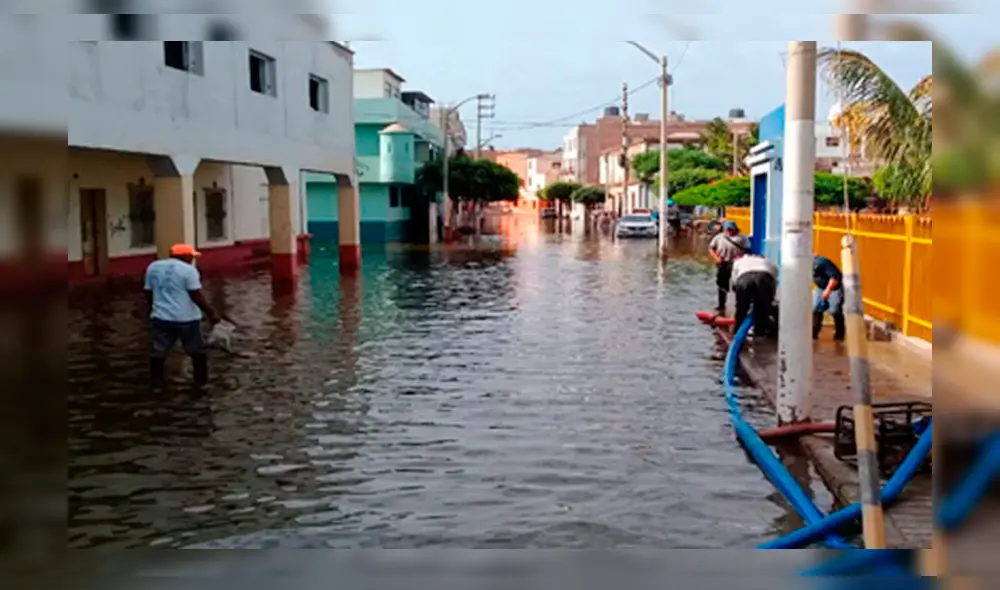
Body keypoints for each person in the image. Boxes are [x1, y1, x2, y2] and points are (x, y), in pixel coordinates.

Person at [144, 243, 223, 385]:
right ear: (185, 256)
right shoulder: (188, 270)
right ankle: (200, 383)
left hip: (161, 317)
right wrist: (211, 313)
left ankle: (155, 381)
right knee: (196, 352)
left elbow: (148, 292)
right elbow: (196, 295)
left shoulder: (153, 267)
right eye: (191, 257)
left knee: (159, 351)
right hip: (186, 319)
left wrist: (152, 308)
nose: (192, 259)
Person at [730, 251, 779, 339]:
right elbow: (774, 281)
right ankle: (760, 332)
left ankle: (737, 333)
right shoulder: (769, 263)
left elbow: (734, 281)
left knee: (742, 308)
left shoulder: (740, 261)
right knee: (763, 310)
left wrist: (739, 295)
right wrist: (769, 299)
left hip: (745, 279)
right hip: (765, 279)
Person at [708, 221, 751, 315]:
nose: (729, 231)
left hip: (738, 264)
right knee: (722, 284)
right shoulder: (719, 237)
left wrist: (741, 257)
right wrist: (716, 258)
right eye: (727, 229)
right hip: (723, 263)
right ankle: (721, 306)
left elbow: (748, 250)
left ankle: (739, 304)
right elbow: (711, 248)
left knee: (738, 285)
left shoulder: (742, 238)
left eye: (731, 229)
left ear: (735, 229)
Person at [813, 254, 845, 341]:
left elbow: (835, 277)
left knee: (834, 310)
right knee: (816, 308)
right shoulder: (804, 265)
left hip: (835, 287)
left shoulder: (821, 263)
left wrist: (828, 290)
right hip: (821, 287)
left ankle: (839, 335)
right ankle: (814, 333)